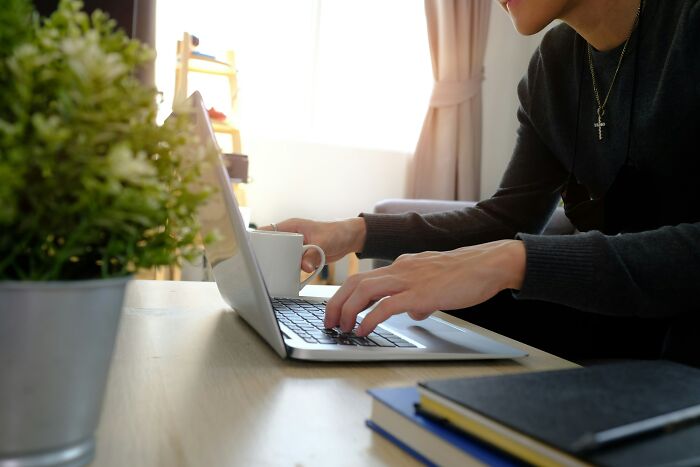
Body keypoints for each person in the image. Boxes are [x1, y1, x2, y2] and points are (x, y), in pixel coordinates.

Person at [266, 0, 700, 366]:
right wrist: (353, 232)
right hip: (616, 313)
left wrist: (511, 260)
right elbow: (507, 217)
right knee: (426, 326)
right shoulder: (555, 63)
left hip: (679, 323)